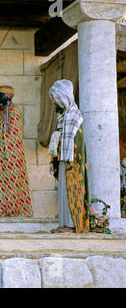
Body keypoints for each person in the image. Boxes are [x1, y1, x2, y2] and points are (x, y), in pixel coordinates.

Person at [0, 85, 33, 218]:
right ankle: (0, 210)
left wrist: (3, 150)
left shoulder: (14, 111)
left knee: (11, 182)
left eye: (1, 95)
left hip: (10, 157)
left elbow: (13, 136)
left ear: (9, 95)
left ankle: (12, 210)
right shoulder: (0, 113)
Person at [48, 79, 89, 233]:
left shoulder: (74, 115)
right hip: (63, 159)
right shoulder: (64, 116)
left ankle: (72, 225)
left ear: (62, 98)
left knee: (73, 191)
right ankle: (64, 223)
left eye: (55, 101)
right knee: (63, 192)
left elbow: (76, 140)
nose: (54, 104)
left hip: (73, 161)